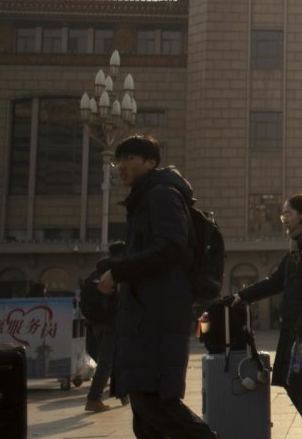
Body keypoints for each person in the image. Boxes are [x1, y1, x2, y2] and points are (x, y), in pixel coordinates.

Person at [94, 134, 217, 439]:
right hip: (144, 318)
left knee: (154, 403)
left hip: (157, 319)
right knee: (146, 418)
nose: (121, 166)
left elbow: (172, 247)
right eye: (118, 160)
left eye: (129, 159)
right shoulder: (143, 199)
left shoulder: (161, 194)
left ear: (150, 162)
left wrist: (118, 271)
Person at [228, 194, 302, 439]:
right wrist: (243, 295)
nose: (283, 219)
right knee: (297, 388)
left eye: (287, 213)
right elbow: (276, 281)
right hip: (296, 333)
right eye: (283, 215)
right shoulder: (297, 245)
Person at [85, 242, 128, 413]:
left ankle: (123, 394)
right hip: (112, 322)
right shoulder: (117, 271)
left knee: (115, 359)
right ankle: (94, 398)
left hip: (96, 323)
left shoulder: (96, 272)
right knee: (107, 362)